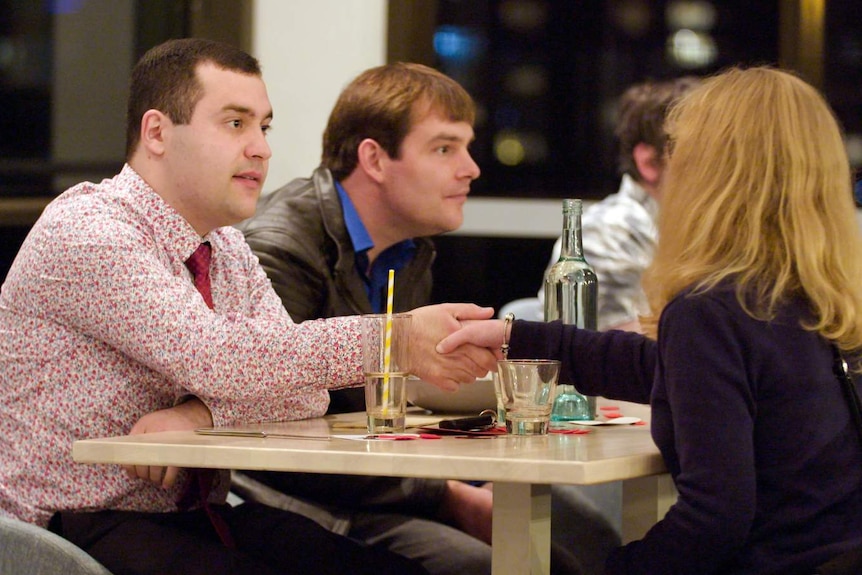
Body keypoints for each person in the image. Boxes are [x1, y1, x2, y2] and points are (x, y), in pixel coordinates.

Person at [0, 38, 496, 575]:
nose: (261, 147)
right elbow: (216, 357)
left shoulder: (225, 244)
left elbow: (304, 392)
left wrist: (202, 415)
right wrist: (395, 339)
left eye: (265, 126)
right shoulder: (91, 230)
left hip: (192, 513)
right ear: (157, 132)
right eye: (235, 123)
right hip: (67, 526)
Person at [438, 66, 862, 574]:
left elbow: (714, 521)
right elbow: (673, 369)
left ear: (710, 174)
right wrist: (517, 337)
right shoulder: (826, 299)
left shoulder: (712, 310)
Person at [238, 63, 611, 575]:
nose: (471, 168)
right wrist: (446, 496)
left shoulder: (409, 250)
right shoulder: (281, 248)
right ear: (374, 158)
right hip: (294, 502)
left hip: (380, 485)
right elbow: (274, 432)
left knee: (576, 548)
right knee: (489, 566)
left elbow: (390, 404)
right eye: (444, 148)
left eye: (467, 146)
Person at [540, 77, 699, 332]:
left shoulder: (704, 229)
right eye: (701, 153)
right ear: (648, 162)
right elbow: (606, 350)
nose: (722, 168)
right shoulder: (606, 231)